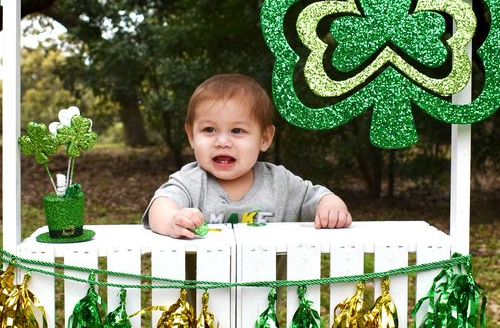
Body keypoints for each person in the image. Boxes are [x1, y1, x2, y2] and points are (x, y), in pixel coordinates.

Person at [144, 73, 352, 238]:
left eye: (237, 131)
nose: (222, 142)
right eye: (209, 130)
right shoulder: (190, 182)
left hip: (268, 289)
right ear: (191, 136)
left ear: (264, 138)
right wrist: (172, 219)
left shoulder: (280, 182)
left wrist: (331, 206)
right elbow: (159, 206)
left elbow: (318, 197)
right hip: (204, 290)